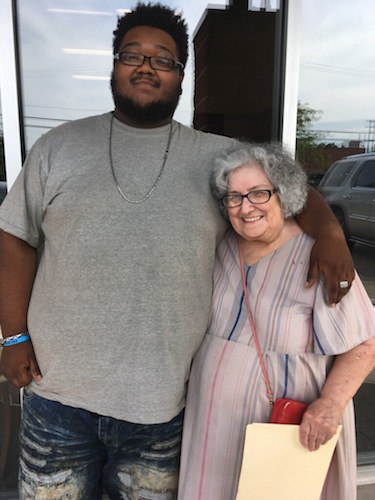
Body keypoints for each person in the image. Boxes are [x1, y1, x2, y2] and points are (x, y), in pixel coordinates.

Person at [0, 3, 354, 498]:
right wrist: (13, 337)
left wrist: (332, 235)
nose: (146, 66)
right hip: (58, 397)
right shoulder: (58, 147)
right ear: (115, 65)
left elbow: (295, 190)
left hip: (164, 410)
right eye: (132, 55)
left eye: (163, 59)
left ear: (181, 77)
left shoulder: (216, 157)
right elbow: (16, 237)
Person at [177, 141, 375, 500]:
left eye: (258, 193)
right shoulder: (221, 247)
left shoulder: (318, 257)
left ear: (286, 195)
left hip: (286, 429)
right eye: (233, 197)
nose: (245, 207)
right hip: (213, 429)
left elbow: (366, 342)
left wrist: (330, 404)